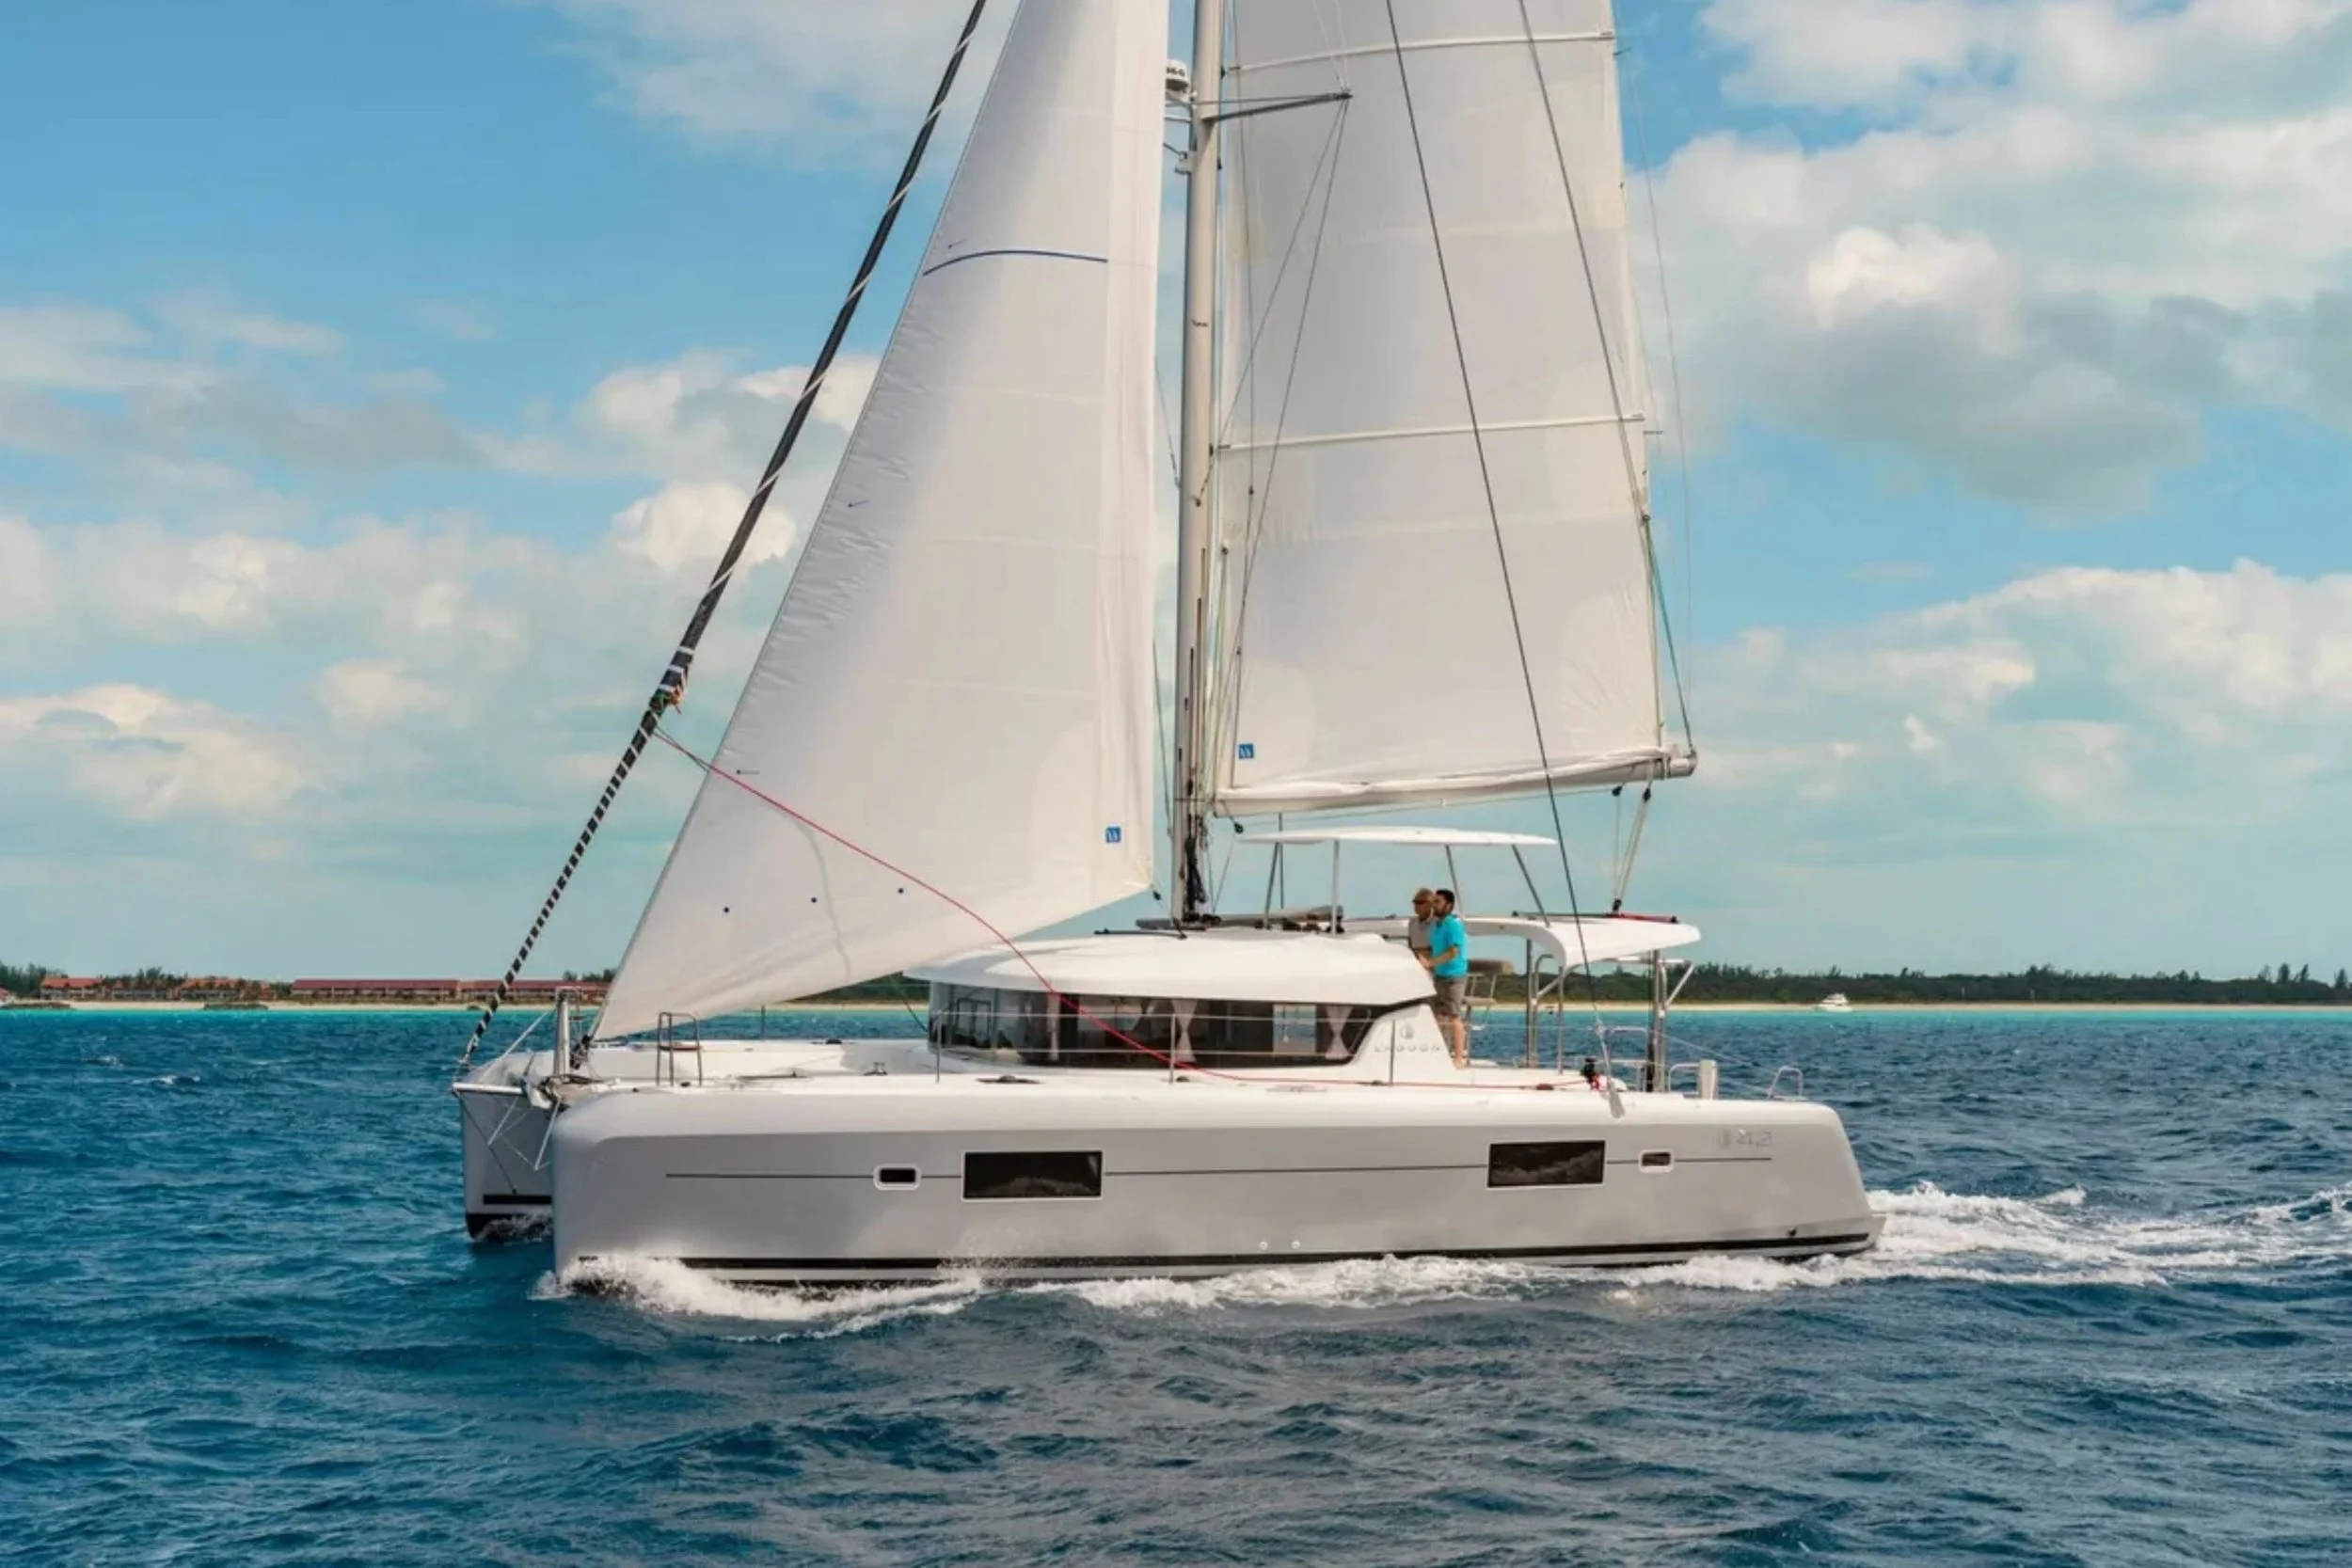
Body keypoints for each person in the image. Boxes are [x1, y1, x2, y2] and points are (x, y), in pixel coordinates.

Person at [1422, 888, 1470, 1068]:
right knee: (1439, 1016)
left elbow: (1453, 951)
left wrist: (1431, 963)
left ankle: (1459, 1058)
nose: (1434, 905)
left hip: (1454, 976)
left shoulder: (1453, 925)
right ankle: (1441, 1054)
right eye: (1433, 902)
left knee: (1453, 1016)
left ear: (1448, 905)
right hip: (1439, 975)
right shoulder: (1435, 925)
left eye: (1438, 902)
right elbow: (1434, 948)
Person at [1406, 888, 1436, 962]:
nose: (1416, 905)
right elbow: (1411, 946)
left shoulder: (1438, 923)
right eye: (1415, 902)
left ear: (1430, 904)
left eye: (1420, 902)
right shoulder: (1412, 923)